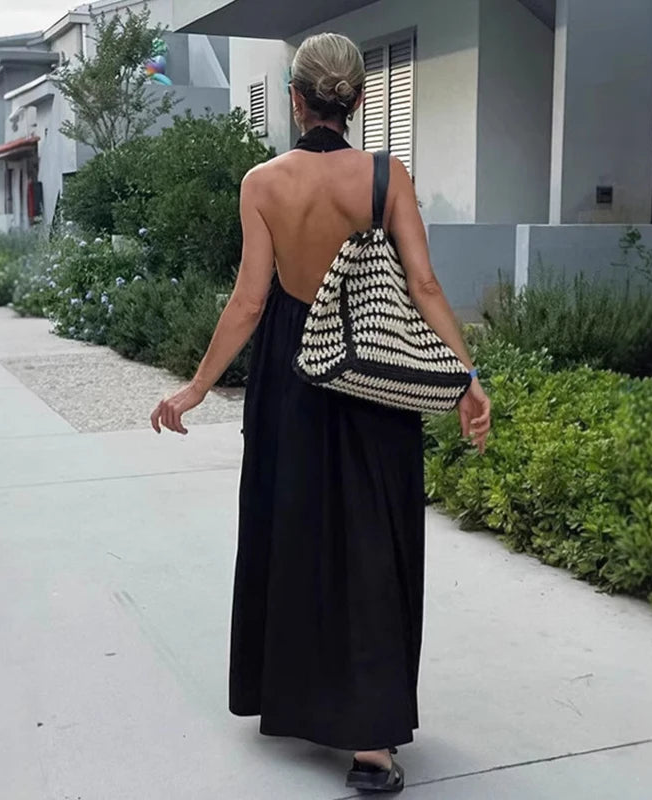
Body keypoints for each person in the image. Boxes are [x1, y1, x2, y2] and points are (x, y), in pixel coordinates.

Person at [150, 32, 491, 794]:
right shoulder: (386, 176)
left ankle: (300, 699)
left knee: (296, 532)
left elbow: (249, 301)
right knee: (373, 540)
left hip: (291, 380)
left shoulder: (262, 183)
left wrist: (196, 388)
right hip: (374, 374)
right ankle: (372, 745)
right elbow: (427, 287)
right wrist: (465, 376)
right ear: (359, 99)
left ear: (296, 100)